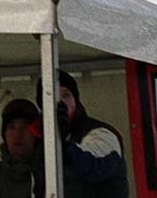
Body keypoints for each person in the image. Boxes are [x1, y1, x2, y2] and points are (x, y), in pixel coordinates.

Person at [34, 70, 129, 198]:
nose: (60, 103)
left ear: (75, 100)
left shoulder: (102, 133)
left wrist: (63, 144)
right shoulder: (38, 141)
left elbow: (94, 168)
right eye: (52, 97)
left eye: (66, 95)